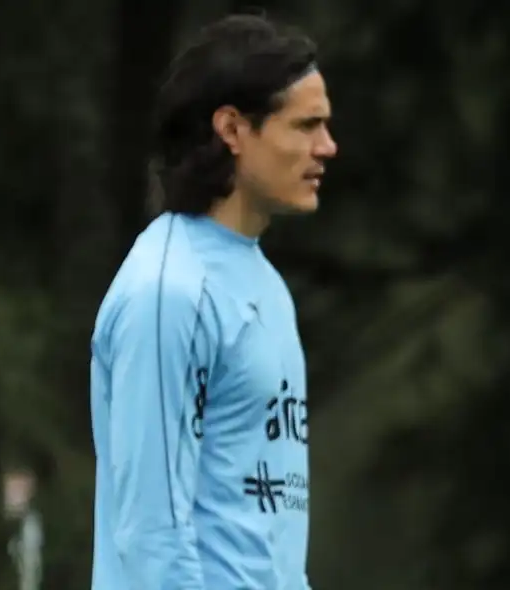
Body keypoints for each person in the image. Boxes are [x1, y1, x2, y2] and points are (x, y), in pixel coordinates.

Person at [89, 13, 337, 590]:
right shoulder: (169, 292)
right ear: (232, 128)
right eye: (305, 125)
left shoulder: (264, 285)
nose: (327, 146)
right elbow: (150, 538)